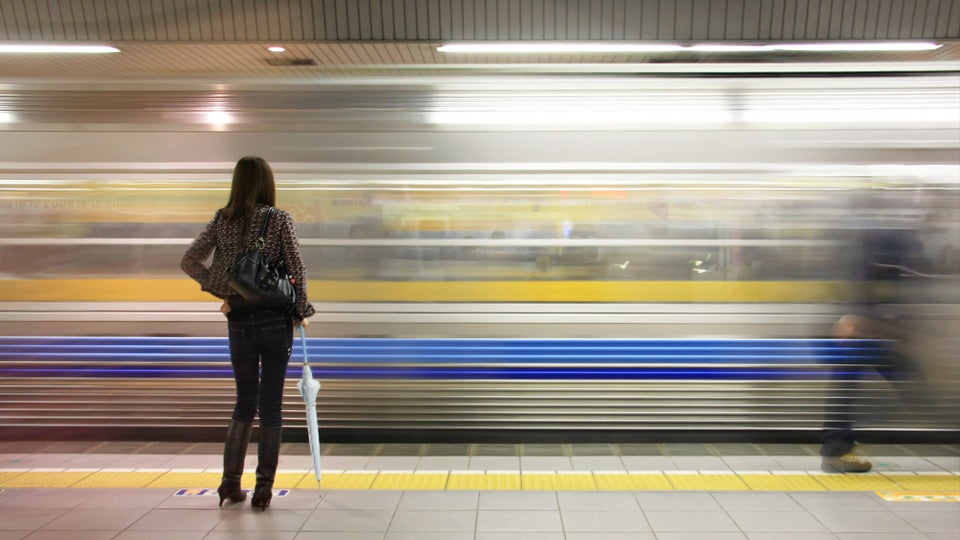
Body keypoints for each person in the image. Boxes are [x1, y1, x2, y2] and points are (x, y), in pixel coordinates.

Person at [181, 156, 315, 509]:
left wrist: (223, 291)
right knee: (270, 406)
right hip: (275, 322)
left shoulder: (222, 220)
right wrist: (302, 310)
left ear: (237, 183)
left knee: (244, 403)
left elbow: (190, 261)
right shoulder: (278, 218)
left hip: (239, 322)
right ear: (267, 183)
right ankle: (263, 490)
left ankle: (229, 485)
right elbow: (296, 268)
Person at [820, 227, 926, 473]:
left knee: (907, 377)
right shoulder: (884, 223)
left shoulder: (888, 221)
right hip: (867, 322)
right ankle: (836, 449)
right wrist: (856, 313)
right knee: (914, 381)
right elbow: (868, 267)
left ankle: (836, 448)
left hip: (872, 320)